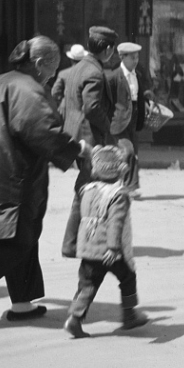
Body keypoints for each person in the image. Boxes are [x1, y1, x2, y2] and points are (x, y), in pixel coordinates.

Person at [0, 36, 90, 324]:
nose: (51, 77)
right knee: (17, 239)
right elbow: (41, 129)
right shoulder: (27, 88)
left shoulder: (2, 81)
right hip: (12, 176)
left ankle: (22, 303)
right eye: (51, 69)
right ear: (37, 64)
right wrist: (77, 149)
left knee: (25, 236)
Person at [64, 143, 149, 338]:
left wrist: (73, 244)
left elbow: (79, 217)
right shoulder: (118, 196)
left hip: (87, 248)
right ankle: (129, 315)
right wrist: (112, 248)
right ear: (120, 171)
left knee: (87, 285)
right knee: (127, 278)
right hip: (109, 252)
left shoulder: (87, 190)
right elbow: (115, 223)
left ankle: (74, 319)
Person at [60, 27, 119, 258]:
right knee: (87, 189)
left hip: (75, 135)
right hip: (90, 139)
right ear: (106, 49)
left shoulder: (79, 67)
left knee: (86, 188)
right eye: (112, 50)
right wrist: (109, 129)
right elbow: (92, 107)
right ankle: (71, 243)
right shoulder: (94, 72)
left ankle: (77, 241)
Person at [107, 42, 154, 198]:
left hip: (134, 119)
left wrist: (146, 103)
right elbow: (107, 100)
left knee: (133, 153)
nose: (135, 60)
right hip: (119, 121)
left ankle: (128, 185)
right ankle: (127, 185)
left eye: (137, 57)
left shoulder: (137, 76)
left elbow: (140, 96)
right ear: (122, 57)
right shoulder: (114, 77)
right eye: (132, 57)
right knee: (128, 151)